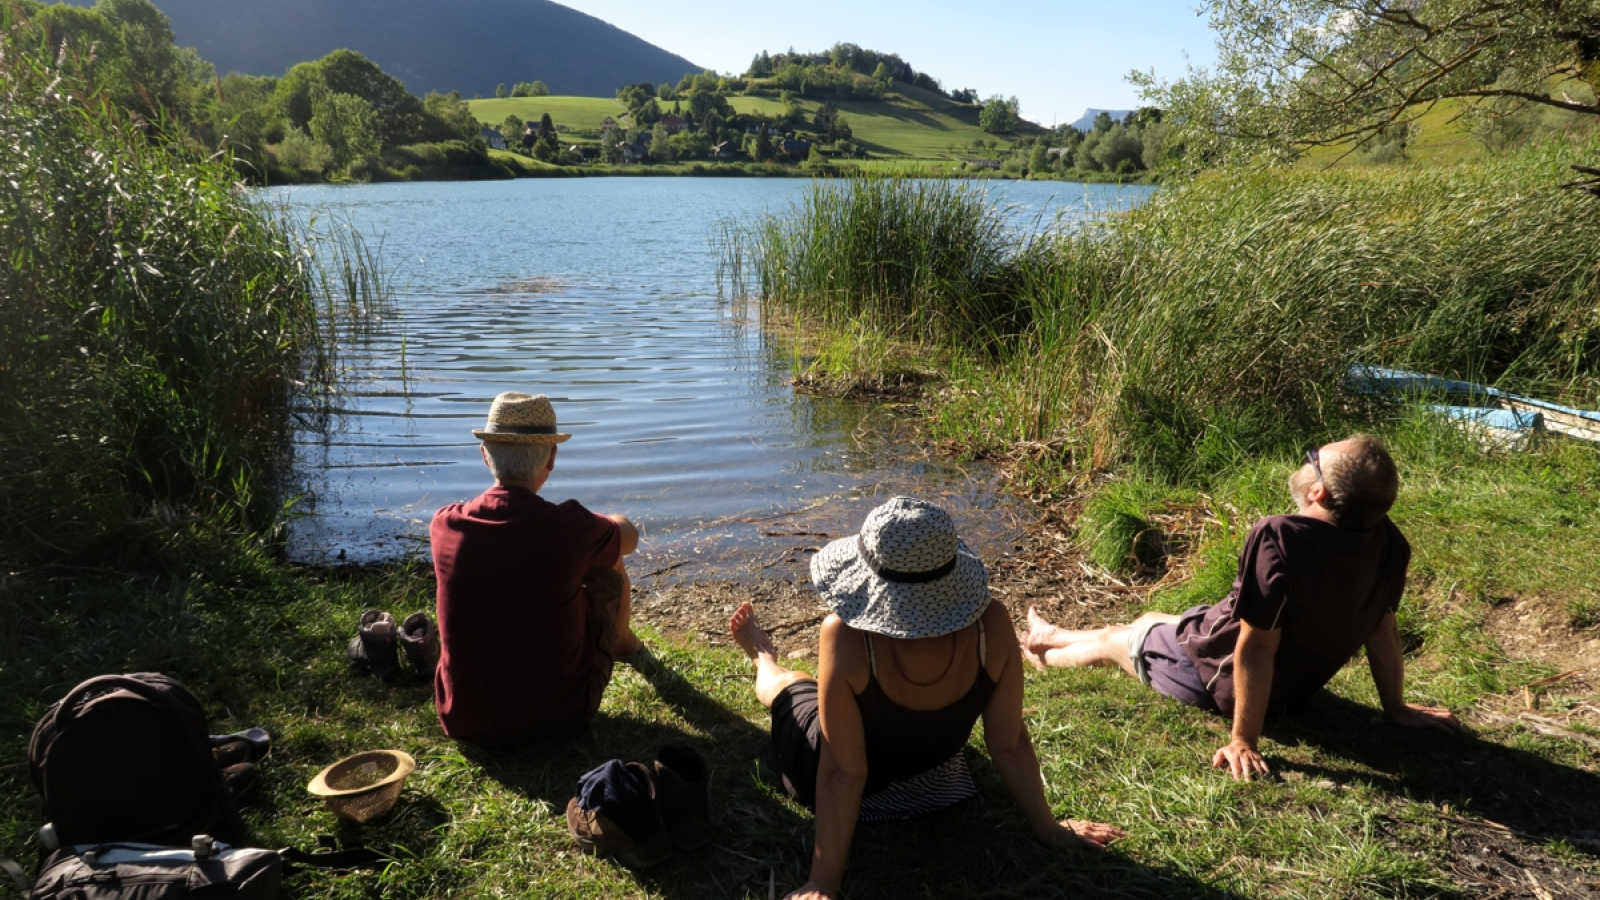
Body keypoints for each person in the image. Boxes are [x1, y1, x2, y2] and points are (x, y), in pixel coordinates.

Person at [730, 496, 1124, 900]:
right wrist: (1050, 829)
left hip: (816, 764)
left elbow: (841, 773)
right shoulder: (994, 623)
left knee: (791, 686)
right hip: (925, 766)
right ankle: (765, 657)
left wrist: (823, 882)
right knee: (807, 689)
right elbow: (1009, 742)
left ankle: (765, 658)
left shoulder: (845, 636)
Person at [1022, 434, 1462, 781]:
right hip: (1291, 684)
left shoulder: (1280, 538)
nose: (1307, 458)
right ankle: (1053, 634)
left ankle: (1041, 651)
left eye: (1313, 457)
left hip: (1216, 682)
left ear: (1319, 492)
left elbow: (1257, 650)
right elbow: (1382, 632)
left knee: (1117, 639)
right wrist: (1397, 709)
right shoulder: (1387, 542)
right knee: (1152, 620)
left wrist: (1243, 740)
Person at [430, 392, 642, 744]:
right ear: (552, 458)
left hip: (465, 720)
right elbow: (630, 537)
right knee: (609, 554)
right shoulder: (570, 526)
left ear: (485, 455)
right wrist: (609, 521)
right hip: (561, 719)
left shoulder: (444, 525)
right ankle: (621, 642)